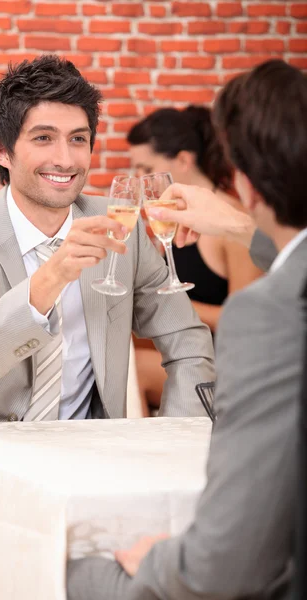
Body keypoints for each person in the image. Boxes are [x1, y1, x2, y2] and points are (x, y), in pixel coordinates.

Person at [67, 58, 307, 600]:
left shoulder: (269, 314)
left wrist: (157, 558)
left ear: (243, 180)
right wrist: (236, 220)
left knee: (57, 568)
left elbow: (222, 564)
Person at [0, 55, 214, 424]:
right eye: (43, 138)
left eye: (78, 139)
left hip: (84, 459)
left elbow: (188, 341)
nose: (66, 159)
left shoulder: (121, 226)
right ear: (1, 151)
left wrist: (179, 436)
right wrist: (52, 276)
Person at [127, 106, 261, 415]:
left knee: (129, 371)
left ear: (184, 161)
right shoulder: (175, 221)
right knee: (112, 357)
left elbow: (245, 321)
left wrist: (178, 306)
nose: (140, 180)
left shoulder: (228, 225)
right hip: (187, 352)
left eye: (147, 170)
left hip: (227, 366)